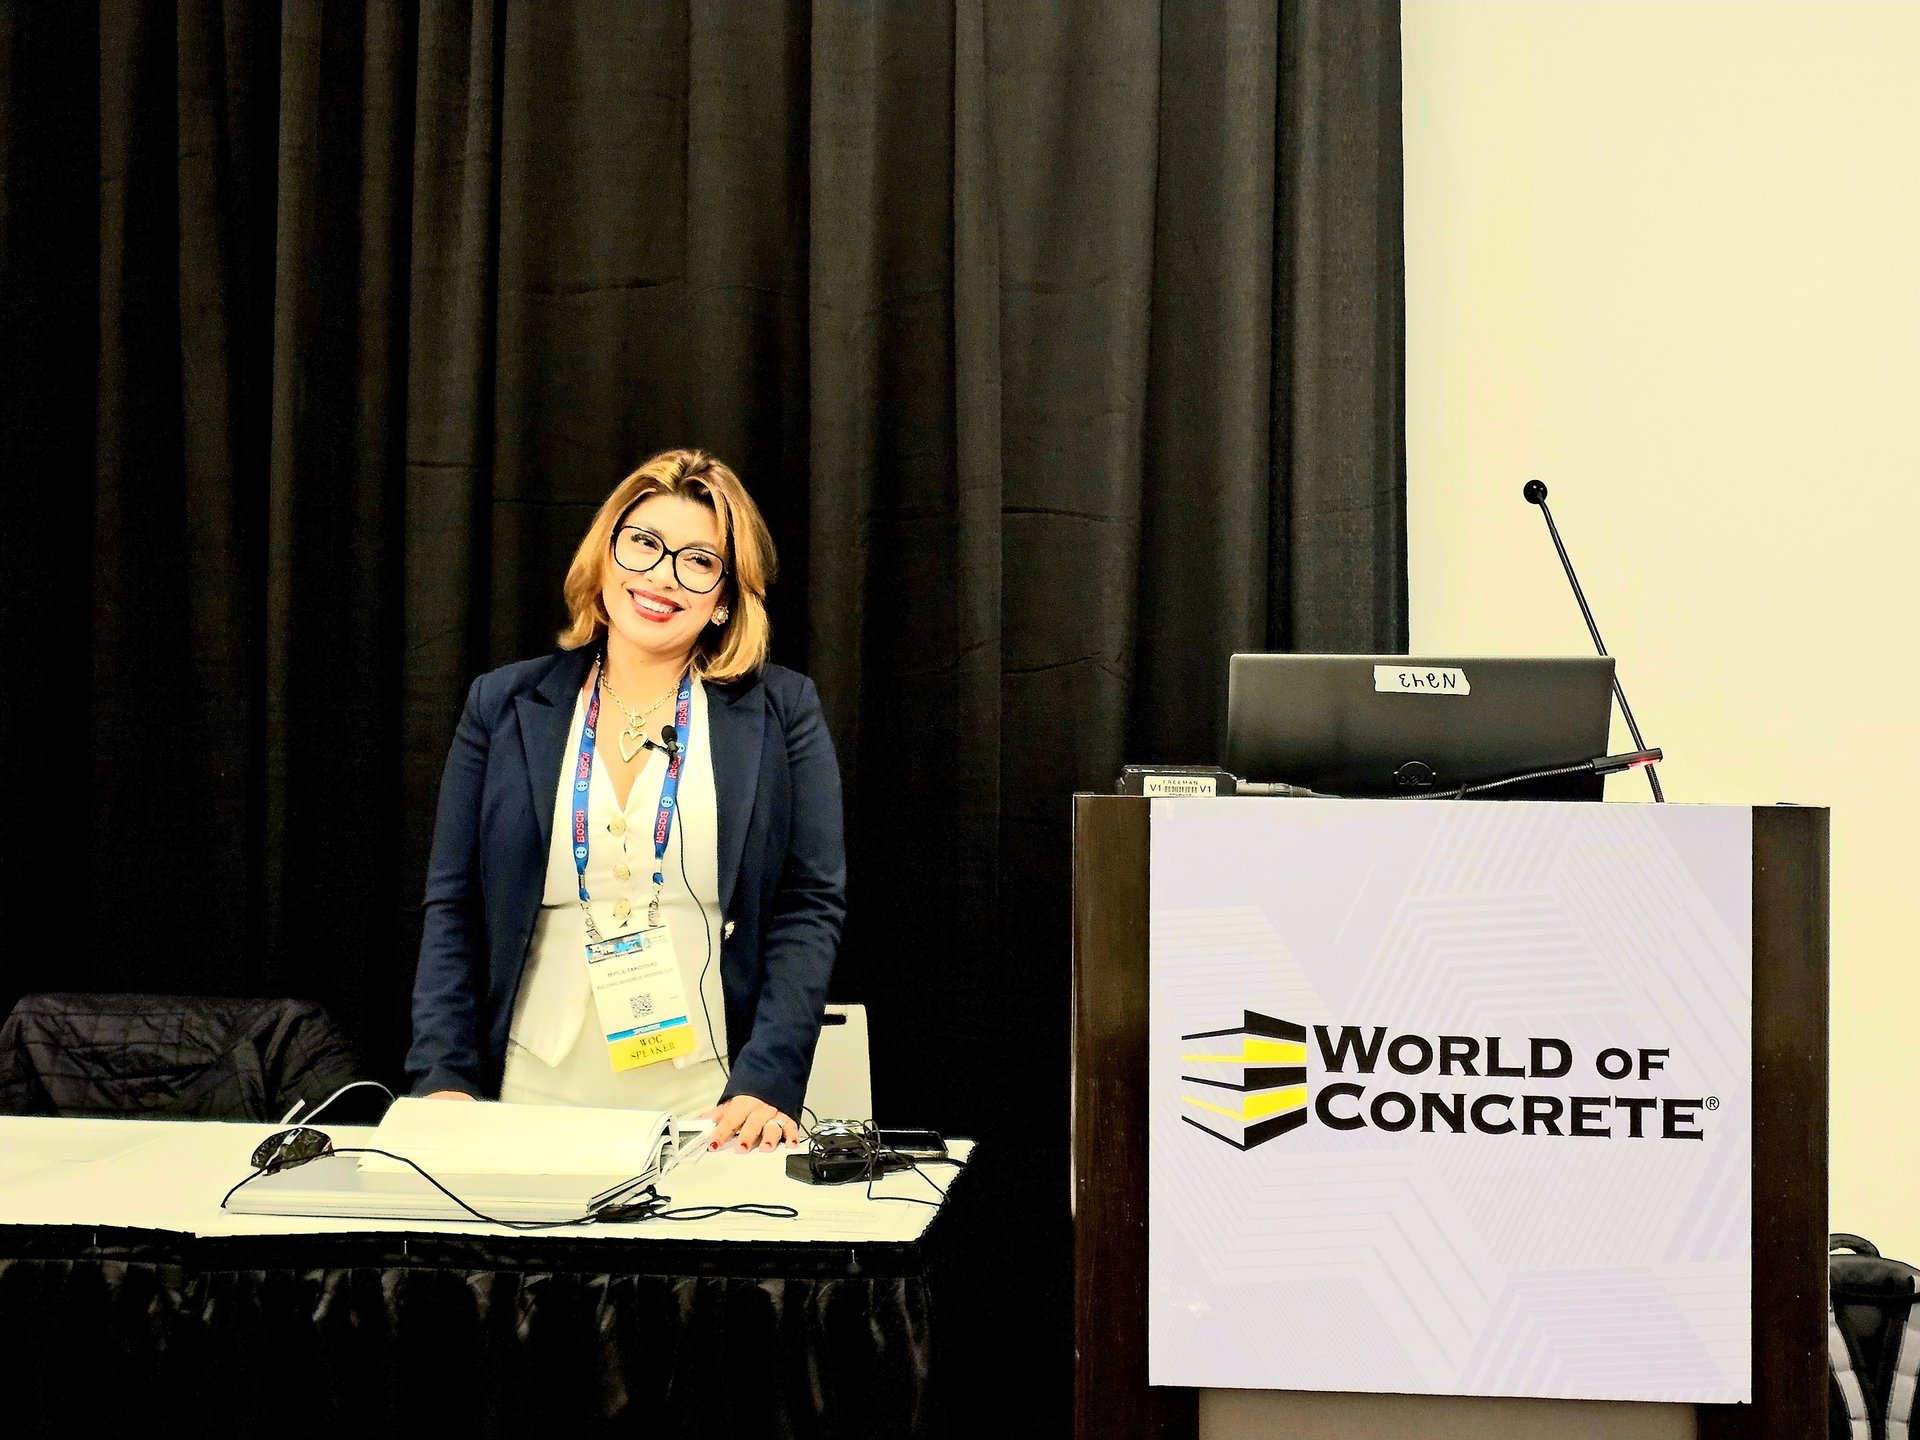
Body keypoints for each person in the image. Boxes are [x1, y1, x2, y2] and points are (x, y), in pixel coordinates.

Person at [405, 449, 844, 1152]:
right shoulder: (504, 702)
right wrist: (441, 1076)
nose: (660, 576)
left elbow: (808, 902)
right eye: (642, 544)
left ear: (726, 596)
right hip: (524, 1092)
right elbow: (453, 906)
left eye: (699, 560)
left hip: (709, 1105)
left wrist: (770, 1079)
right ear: (605, 557)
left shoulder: (782, 709)